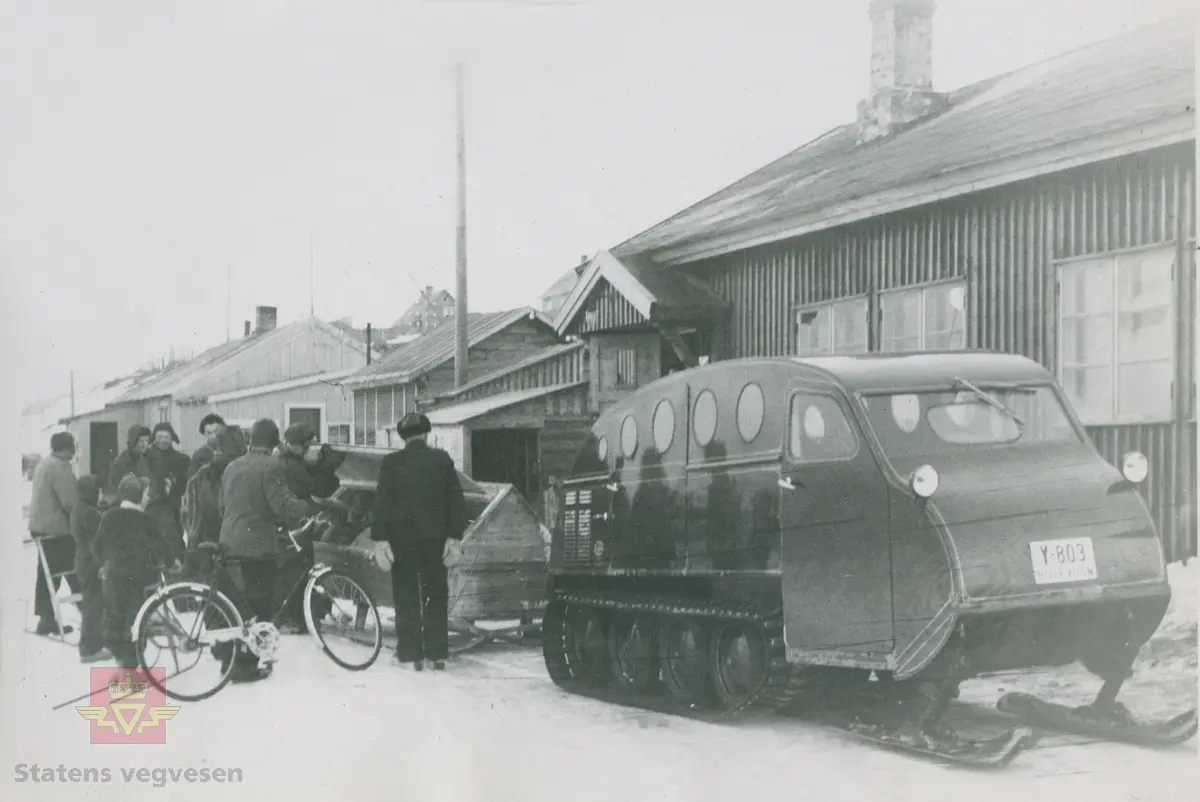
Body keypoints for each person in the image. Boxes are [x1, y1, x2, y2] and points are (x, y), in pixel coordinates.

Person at [216, 418, 313, 681]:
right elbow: (280, 505)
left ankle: (230, 661)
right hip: (257, 548)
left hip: (230, 543)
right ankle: (246, 667)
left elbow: (222, 506)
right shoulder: (272, 465)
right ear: (274, 442)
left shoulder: (232, 466)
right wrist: (306, 509)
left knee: (237, 605)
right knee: (259, 604)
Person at [371, 412, 467, 671]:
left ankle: (411, 654)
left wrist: (380, 538)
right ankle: (437, 654)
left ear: (403, 437)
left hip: (402, 542)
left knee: (406, 596)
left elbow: (383, 502)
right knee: (435, 595)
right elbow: (455, 499)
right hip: (435, 541)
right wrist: (454, 536)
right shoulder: (442, 459)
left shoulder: (391, 463)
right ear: (426, 434)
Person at [94, 474, 178, 668]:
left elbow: (98, 546)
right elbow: (161, 547)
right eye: (146, 494)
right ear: (140, 496)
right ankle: (131, 663)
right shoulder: (146, 518)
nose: (148, 497)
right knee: (136, 619)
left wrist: (105, 563)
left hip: (115, 577)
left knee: (117, 616)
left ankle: (122, 659)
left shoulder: (109, 516)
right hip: (141, 579)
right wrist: (172, 563)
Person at [274, 422, 341, 632]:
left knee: (295, 571)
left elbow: (306, 467)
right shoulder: (289, 466)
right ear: (293, 445)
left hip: (292, 526)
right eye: (305, 447)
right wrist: (327, 467)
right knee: (298, 572)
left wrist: (320, 463)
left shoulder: (288, 459)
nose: (307, 451)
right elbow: (317, 488)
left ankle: (297, 617)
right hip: (295, 527)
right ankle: (296, 619)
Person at [28, 431, 81, 636]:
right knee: (76, 569)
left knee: (47, 573)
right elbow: (70, 502)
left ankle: (46, 618)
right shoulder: (61, 467)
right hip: (57, 530)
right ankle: (91, 614)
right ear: (67, 449)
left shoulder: (44, 464)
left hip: (39, 527)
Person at [181, 426, 247, 576]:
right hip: (216, 547)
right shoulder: (202, 478)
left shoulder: (201, 477)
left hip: (208, 546)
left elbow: (189, 516)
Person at [70, 475, 110, 663]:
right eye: (97, 490)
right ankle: (89, 649)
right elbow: (95, 543)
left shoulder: (80, 507)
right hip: (91, 563)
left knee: (92, 602)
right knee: (94, 605)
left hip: (82, 561)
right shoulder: (89, 514)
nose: (99, 493)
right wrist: (103, 565)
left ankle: (94, 644)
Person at [145, 422, 190, 562]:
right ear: (154, 438)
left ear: (172, 439)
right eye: (160, 437)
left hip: (174, 505)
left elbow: (186, 482)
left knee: (175, 533)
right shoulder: (146, 457)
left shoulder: (181, 459)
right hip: (152, 505)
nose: (163, 440)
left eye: (166, 437)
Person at [106, 425, 151, 501]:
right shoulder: (119, 463)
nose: (145, 445)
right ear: (133, 442)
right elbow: (116, 492)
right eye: (141, 441)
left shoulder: (147, 458)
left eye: (146, 441)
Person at [188, 413, 227, 480]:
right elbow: (193, 480)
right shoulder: (199, 455)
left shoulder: (233, 449)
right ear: (204, 434)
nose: (214, 436)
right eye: (210, 433)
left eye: (216, 431)